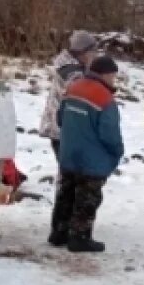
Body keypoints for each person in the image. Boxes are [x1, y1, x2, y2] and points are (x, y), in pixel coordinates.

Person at [49, 56, 124, 253]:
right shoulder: (105, 99)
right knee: (87, 198)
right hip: (91, 159)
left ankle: (59, 232)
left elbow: (60, 118)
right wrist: (117, 152)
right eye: (113, 76)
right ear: (105, 74)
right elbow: (110, 134)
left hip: (68, 153)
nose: (113, 80)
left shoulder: (73, 88)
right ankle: (79, 238)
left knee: (66, 194)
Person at [39, 30, 99, 160]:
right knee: (71, 172)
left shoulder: (71, 67)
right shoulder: (73, 73)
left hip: (62, 128)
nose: (94, 55)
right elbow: (82, 97)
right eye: (92, 52)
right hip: (65, 130)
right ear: (83, 52)